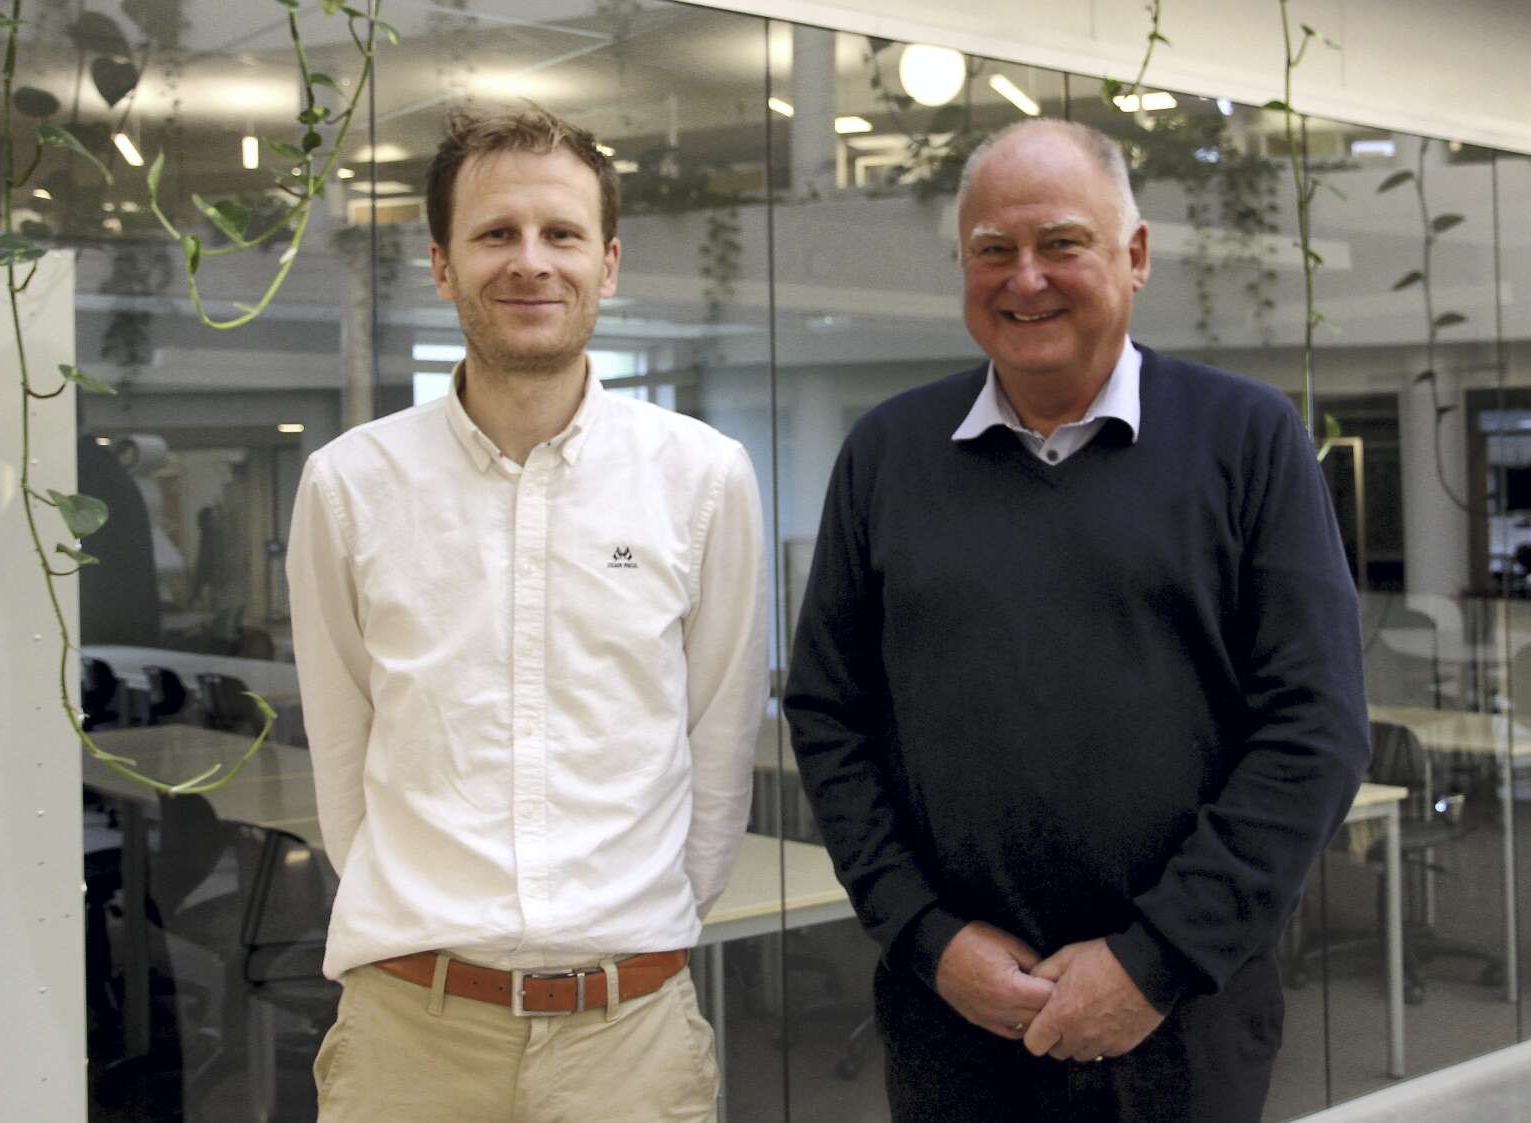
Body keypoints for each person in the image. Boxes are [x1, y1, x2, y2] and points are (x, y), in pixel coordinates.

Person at [783, 118, 1369, 1121]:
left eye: (1061, 243)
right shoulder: (886, 453)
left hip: (1180, 1017)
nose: (1026, 279)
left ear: (1134, 255)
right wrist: (925, 935)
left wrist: (1154, 959)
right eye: (993, 250)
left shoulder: (1248, 439)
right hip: (952, 1015)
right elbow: (831, 714)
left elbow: (1315, 729)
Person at [287, 108, 768, 1122]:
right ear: (442, 265)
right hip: (410, 1035)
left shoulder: (702, 478)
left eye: (562, 234)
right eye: (496, 233)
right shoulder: (349, 485)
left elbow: (719, 742)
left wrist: (626, 932)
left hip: (629, 1041)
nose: (531, 261)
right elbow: (343, 755)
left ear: (608, 262)